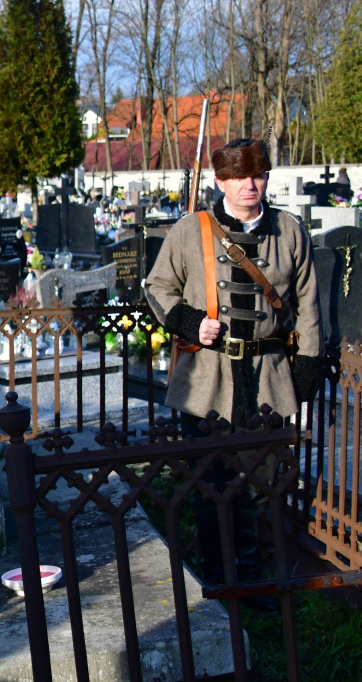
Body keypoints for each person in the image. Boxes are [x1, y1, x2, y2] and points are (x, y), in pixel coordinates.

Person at [144, 138, 325, 593]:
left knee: (260, 483)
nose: (251, 184)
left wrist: (305, 371)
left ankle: (253, 579)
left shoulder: (290, 231)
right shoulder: (191, 230)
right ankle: (217, 579)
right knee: (209, 483)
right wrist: (189, 322)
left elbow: (308, 307)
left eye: (259, 175)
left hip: (267, 377)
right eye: (240, 176)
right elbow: (158, 286)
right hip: (207, 377)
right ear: (220, 181)